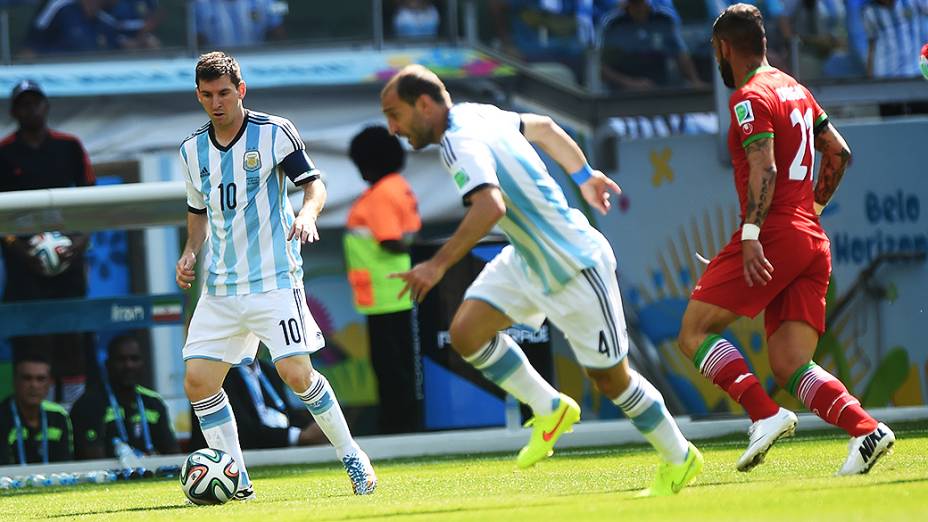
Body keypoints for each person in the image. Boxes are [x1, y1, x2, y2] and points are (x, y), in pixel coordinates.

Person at [381, 64, 702, 497]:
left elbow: (489, 207)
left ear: (423, 104)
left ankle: (680, 456)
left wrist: (436, 265)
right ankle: (548, 406)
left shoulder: (459, 142)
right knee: (466, 332)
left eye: (394, 114)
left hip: (575, 265)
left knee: (612, 380)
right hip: (528, 259)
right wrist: (584, 177)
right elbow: (547, 128)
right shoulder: (480, 114)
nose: (392, 127)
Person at [676, 3, 894, 476]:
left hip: (773, 231)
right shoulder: (796, 89)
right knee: (790, 363)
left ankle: (763, 413)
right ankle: (866, 430)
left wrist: (753, 235)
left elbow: (766, 166)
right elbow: (839, 153)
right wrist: (810, 213)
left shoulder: (749, 97)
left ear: (724, 48)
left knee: (693, 331)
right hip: (810, 238)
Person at [176, 51, 376, 500]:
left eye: (224, 93)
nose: (217, 103)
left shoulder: (273, 132)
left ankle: (352, 457)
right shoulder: (191, 150)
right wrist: (190, 251)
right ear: (198, 96)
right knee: (198, 381)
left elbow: (313, 183)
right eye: (207, 95)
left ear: (240, 90)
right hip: (222, 287)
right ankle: (238, 480)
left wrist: (308, 213)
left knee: (296, 373)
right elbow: (196, 212)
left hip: (274, 280)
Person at [0, 79, 96, 408]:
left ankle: (72, 415)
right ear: (14, 111)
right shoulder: (4, 152)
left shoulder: (69, 146)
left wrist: (80, 241)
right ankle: (36, 419)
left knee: (72, 342)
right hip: (23, 269)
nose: (31, 109)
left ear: (46, 106)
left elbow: (94, 202)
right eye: (23, 104)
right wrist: (19, 247)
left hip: (68, 264)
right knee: (32, 348)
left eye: (35, 102)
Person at [345, 125, 422, 435]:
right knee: (398, 363)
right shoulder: (396, 186)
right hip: (392, 291)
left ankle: (397, 426)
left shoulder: (381, 194)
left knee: (390, 366)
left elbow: (390, 239)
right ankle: (403, 422)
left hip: (386, 292)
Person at [70, 335, 179, 460]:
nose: (129, 365)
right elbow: (93, 459)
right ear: (107, 364)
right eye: (121, 360)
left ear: (143, 363)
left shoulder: (154, 402)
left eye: (134, 359)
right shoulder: (89, 404)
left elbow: (172, 453)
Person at [188, 358, 326, 450]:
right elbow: (243, 431)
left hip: (277, 450)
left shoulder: (269, 370)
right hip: (230, 459)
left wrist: (314, 426)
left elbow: (286, 411)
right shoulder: (217, 376)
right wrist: (299, 436)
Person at [599, 0, 705, 90]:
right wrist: (629, 83)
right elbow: (601, 68)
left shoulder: (663, 19)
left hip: (659, 94)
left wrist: (694, 81)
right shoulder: (612, 23)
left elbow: (680, 54)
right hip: (620, 99)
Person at [0, 356, 73, 465]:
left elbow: (66, 465)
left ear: (49, 384)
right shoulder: (2, 416)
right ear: (15, 381)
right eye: (27, 378)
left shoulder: (58, 415)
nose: (34, 385)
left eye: (41, 379)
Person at [23, 0, 121, 55]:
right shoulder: (59, 8)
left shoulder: (108, 23)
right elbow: (31, 47)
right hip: (54, 67)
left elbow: (113, 56)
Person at [193, 0, 286, 48]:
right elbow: (195, 42)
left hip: (256, 61)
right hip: (217, 68)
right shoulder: (200, 4)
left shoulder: (263, 2)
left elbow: (279, 35)